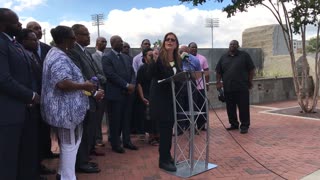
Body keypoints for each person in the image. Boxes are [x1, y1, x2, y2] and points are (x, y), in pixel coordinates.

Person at [41, 25, 96, 180]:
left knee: (70, 144)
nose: (74, 40)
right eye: (73, 37)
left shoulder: (57, 53)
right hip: (65, 112)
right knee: (69, 146)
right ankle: (67, 177)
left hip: (67, 111)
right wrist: (84, 85)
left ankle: (62, 174)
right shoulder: (59, 56)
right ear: (65, 40)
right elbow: (62, 83)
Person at [0, 8, 41, 180]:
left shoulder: (13, 44)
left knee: (21, 156)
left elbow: (27, 74)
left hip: (22, 110)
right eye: (16, 22)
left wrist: (30, 96)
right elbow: (3, 79)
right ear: (3, 24)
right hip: (7, 114)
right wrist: (31, 96)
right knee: (6, 161)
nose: (20, 24)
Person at [68, 24, 105, 173]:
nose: (88, 37)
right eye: (84, 34)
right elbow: (79, 76)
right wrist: (93, 92)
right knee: (82, 131)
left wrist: (98, 89)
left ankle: (85, 157)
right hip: (83, 97)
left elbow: (94, 73)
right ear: (75, 36)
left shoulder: (86, 52)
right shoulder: (72, 52)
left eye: (88, 34)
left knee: (89, 130)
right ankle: (81, 163)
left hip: (92, 95)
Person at [26, 20, 57, 176]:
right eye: (34, 28)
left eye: (39, 28)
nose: (38, 30)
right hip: (32, 97)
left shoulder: (47, 49)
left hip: (48, 96)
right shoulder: (24, 48)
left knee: (46, 127)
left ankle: (47, 152)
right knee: (35, 131)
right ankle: (37, 162)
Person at [148, 32, 182, 172]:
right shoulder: (159, 59)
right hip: (161, 100)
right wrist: (154, 60)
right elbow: (150, 74)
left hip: (172, 100)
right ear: (163, 42)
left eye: (173, 40)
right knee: (165, 131)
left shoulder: (177, 59)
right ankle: (163, 160)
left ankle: (167, 157)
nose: (170, 41)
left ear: (176, 44)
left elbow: (178, 77)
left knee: (168, 130)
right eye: (167, 39)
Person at [102, 35, 138, 153]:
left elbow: (133, 73)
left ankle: (127, 141)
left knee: (127, 119)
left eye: (122, 41)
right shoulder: (107, 57)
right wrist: (126, 85)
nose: (122, 43)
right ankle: (116, 144)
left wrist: (132, 84)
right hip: (115, 95)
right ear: (112, 43)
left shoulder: (127, 57)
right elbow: (111, 75)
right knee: (115, 120)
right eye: (119, 41)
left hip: (128, 94)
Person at [215, 40, 255, 134]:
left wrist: (250, 81)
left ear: (238, 46)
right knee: (230, 108)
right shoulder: (224, 57)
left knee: (243, 107)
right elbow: (218, 71)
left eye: (234, 44)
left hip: (242, 87)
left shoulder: (244, 56)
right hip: (228, 87)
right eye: (231, 44)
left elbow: (251, 69)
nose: (232, 46)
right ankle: (234, 124)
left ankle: (244, 125)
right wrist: (218, 82)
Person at [136, 47, 159, 145]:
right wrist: (142, 97)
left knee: (157, 117)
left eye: (154, 55)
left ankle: (157, 136)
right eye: (150, 55)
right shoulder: (142, 68)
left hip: (156, 95)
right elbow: (139, 84)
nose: (153, 57)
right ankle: (151, 137)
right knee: (149, 118)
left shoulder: (157, 67)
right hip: (146, 95)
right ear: (145, 57)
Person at [188, 42, 210, 131]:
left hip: (200, 87)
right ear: (189, 48)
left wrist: (207, 83)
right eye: (192, 47)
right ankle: (191, 126)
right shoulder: (185, 58)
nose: (194, 49)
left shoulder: (202, 58)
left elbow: (206, 72)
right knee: (191, 106)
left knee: (201, 106)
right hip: (189, 88)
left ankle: (201, 125)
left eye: (195, 47)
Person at [91, 37, 108, 147]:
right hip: (100, 88)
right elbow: (94, 73)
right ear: (97, 43)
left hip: (111, 90)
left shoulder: (107, 57)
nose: (104, 43)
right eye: (102, 41)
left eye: (105, 42)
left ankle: (112, 136)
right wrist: (107, 79)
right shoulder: (93, 57)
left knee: (110, 114)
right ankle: (98, 138)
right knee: (99, 116)